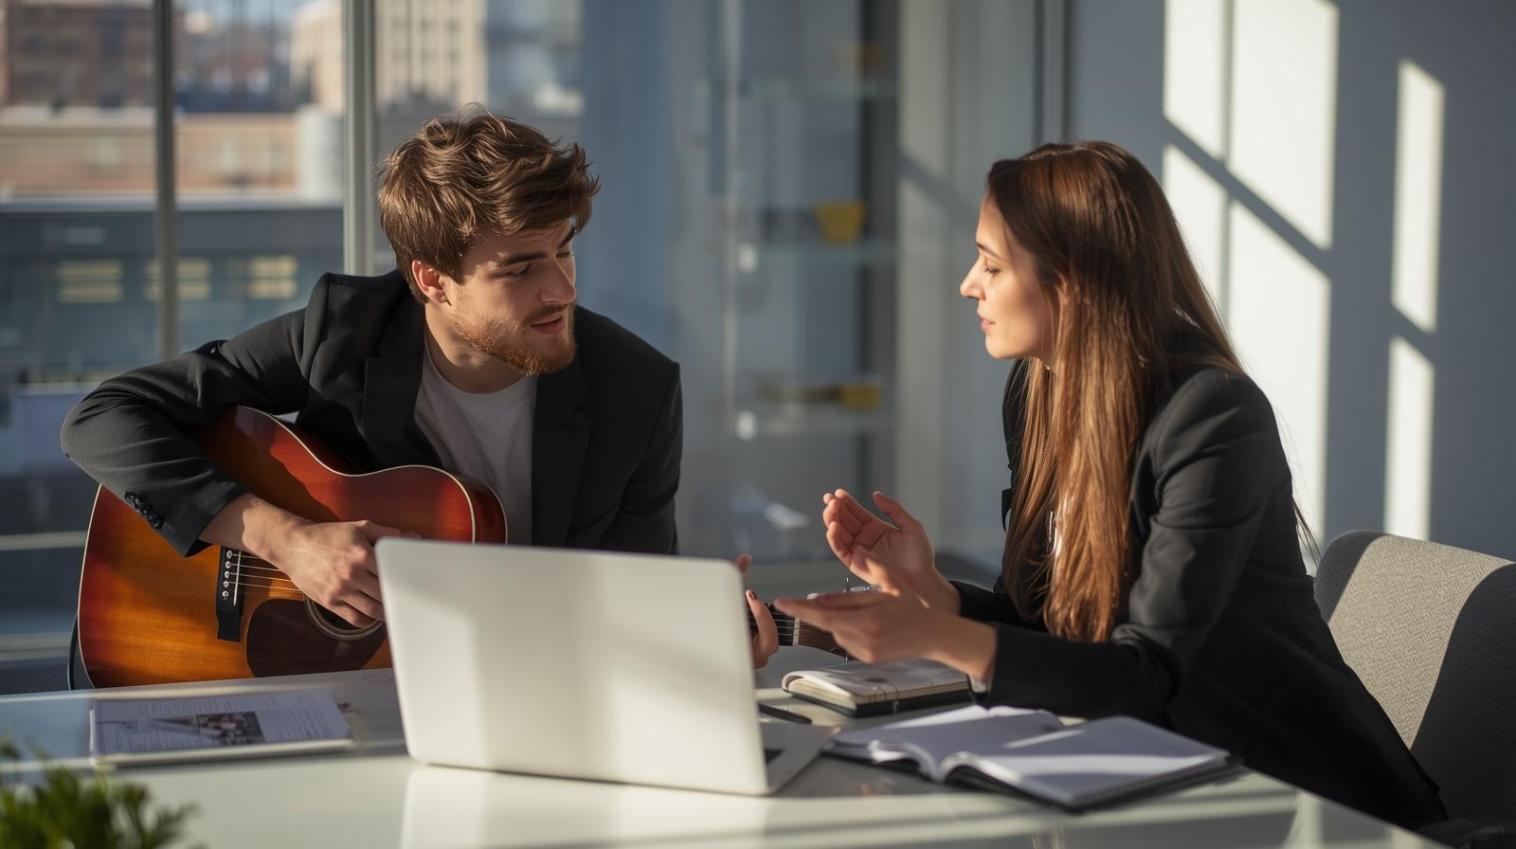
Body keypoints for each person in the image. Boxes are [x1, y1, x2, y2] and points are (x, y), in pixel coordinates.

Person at [775, 141, 1446, 828]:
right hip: (1148, 786)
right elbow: (1050, 631)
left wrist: (937, 633)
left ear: (1070, 281)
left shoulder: (1214, 416)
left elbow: (1143, 672)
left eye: (993, 264)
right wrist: (934, 591)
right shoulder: (1036, 393)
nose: (968, 283)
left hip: (1301, 801)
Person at [61, 107, 778, 665]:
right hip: (340, 694)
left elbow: (632, 620)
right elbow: (103, 416)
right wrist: (286, 539)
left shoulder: (637, 394)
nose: (561, 288)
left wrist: (700, 654)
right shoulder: (342, 333)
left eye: (564, 251)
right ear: (431, 280)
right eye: (521, 268)